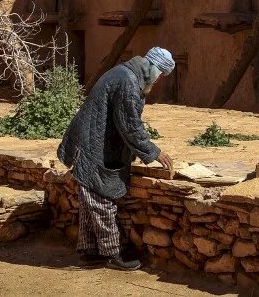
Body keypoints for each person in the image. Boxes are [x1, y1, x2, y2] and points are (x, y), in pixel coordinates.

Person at [57, 47, 175, 270]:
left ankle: (92, 251)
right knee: (101, 201)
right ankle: (112, 254)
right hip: (92, 145)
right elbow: (129, 125)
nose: (158, 82)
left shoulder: (126, 74)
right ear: (154, 70)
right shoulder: (129, 82)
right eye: (160, 77)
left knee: (90, 200)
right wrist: (154, 151)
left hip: (94, 141)